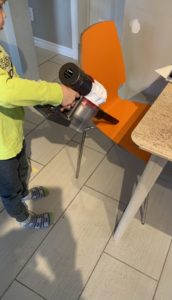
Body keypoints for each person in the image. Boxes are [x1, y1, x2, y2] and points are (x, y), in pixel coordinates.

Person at [0, 0, 79, 229]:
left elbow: (13, 83)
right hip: (0, 147)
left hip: (11, 130)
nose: (4, 16)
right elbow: (6, 91)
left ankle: (23, 192)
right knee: (8, 186)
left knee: (22, 167)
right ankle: (23, 217)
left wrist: (43, 100)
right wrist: (56, 93)